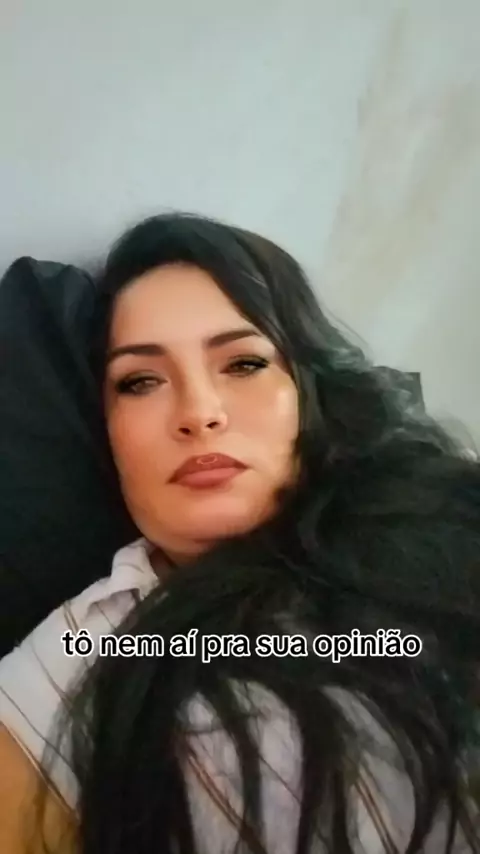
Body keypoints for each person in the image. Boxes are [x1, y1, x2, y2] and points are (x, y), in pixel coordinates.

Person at [0, 212, 479, 854]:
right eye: (141, 381)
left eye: (244, 363)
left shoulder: (443, 517)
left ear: (307, 391)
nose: (199, 412)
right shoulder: (86, 652)